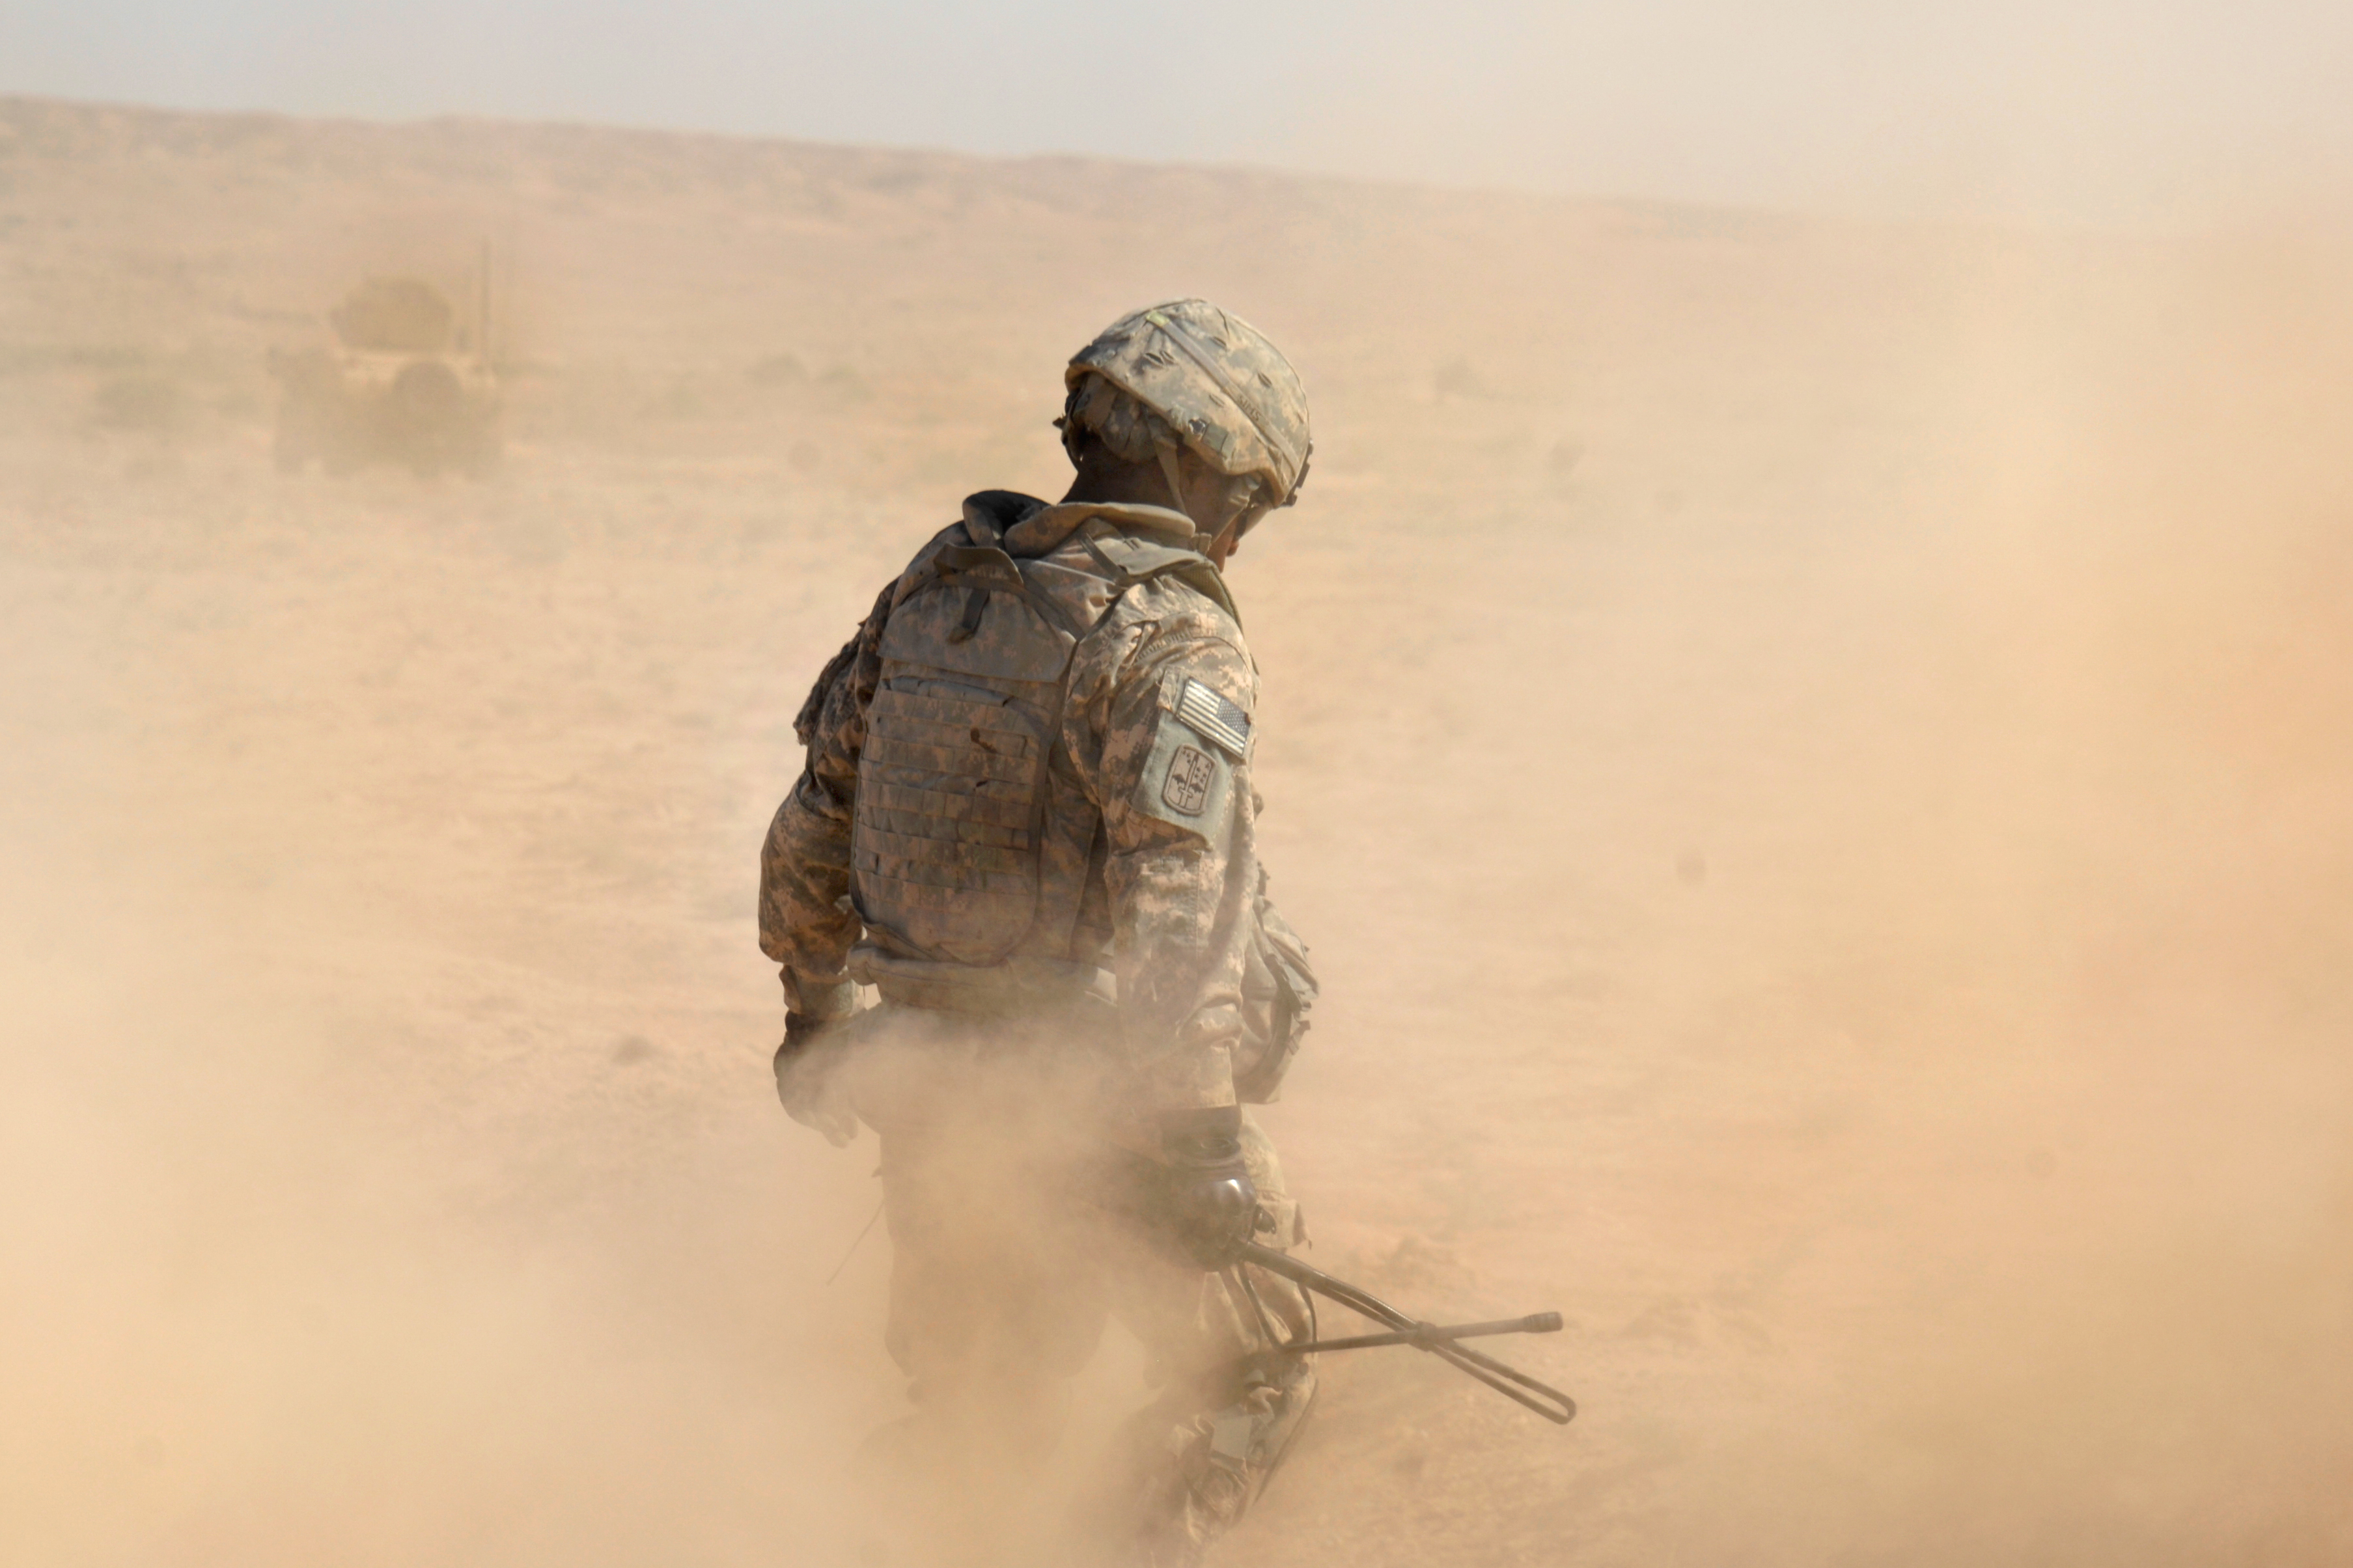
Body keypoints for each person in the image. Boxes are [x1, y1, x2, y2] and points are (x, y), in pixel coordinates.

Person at [758, 299, 1322, 1566]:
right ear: (1191, 462)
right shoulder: (1169, 633)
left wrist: (812, 1020)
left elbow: (810, 825)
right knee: (1251, 1374)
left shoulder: (936, 587)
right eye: (1246, 498)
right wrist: (1200, 1140)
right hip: (1091, 1097)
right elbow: (1188, 898)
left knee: (971, 1413)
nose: (1239, 534)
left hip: (925, 1088)